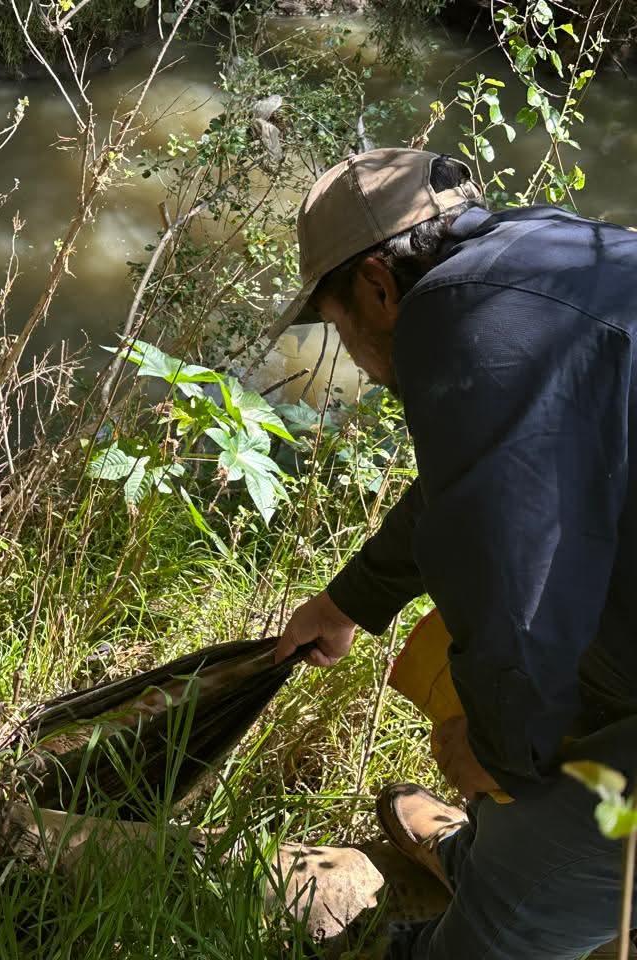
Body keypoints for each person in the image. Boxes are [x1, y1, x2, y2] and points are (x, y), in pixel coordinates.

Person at [272, 147, 637, 958]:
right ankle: (488, 856)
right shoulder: (557, 249)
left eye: (340, 332)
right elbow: (479, 484)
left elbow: (515, 579)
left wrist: (497, 756)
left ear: (376, 284)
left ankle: (506, 881)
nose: (362, 368)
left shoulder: (452, 317)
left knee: (508, 919)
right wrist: (348, 604)